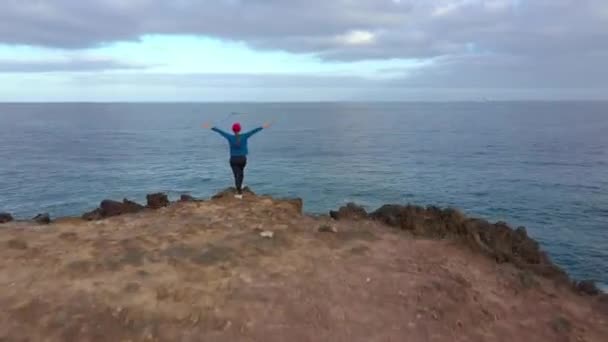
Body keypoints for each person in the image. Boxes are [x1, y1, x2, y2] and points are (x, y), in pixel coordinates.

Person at [203, 121, 270, 198]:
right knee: (241, 173)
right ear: (240, 129)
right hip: (242, 159)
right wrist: (263, 126)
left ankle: (239, 193)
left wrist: (211, 127)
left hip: (233, 159)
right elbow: (253, 131)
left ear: (233, 130)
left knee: (236, 175)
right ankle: (240, 188)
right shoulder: (245, 136)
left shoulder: (230, 137)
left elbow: (220, 132)